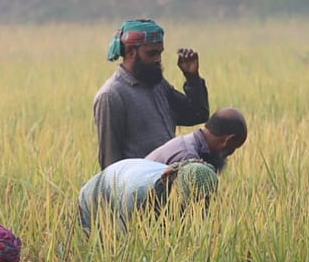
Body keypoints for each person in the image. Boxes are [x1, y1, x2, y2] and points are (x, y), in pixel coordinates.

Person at [93, 18, 209, 169]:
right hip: (137, 188)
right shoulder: (111, 96)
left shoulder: (159, 86)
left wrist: (192, 77)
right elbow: (110, 163)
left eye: (159, 53)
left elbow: (197, 114)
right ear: (130, 52)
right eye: (152, 54)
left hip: (167, 183)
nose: (158, 60)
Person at [78, 158, 219, 231]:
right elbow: (132, 244)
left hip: (129, 173)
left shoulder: (198, 190)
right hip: (99, 195)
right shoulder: (137, 194)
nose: (194, 207)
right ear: (172, 185)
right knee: (107, 249)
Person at [145, 107, 248, 172]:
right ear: (228, 140)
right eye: (232, 148)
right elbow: (187, 204)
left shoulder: (189, 142)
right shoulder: (189, 159)